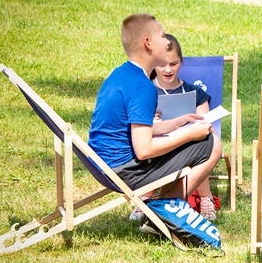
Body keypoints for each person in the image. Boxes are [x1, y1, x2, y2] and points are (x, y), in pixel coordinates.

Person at [88, 14, 223, 232]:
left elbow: (136, 128)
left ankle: (161, 210)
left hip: (102, 164)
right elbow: (144, 150)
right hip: (125, 170)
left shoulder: (121, 74)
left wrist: (178, 122)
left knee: (198, 138)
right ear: (148, 43)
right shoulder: (143, 87)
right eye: (162, 36)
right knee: (213, 144)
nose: (167, 42)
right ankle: (163, 211)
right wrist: (190, 134)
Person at [148, 33, 218, 220]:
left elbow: (206, 122)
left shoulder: (194, 92)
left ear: (181, 62)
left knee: (202, 144)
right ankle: (144, 199)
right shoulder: (146, 91)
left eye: (173, 64)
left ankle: (205, 198)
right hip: (157, 144)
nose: (167, 70)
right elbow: (138, 128)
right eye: (162, 64)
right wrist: (152, 121)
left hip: (188, 142)